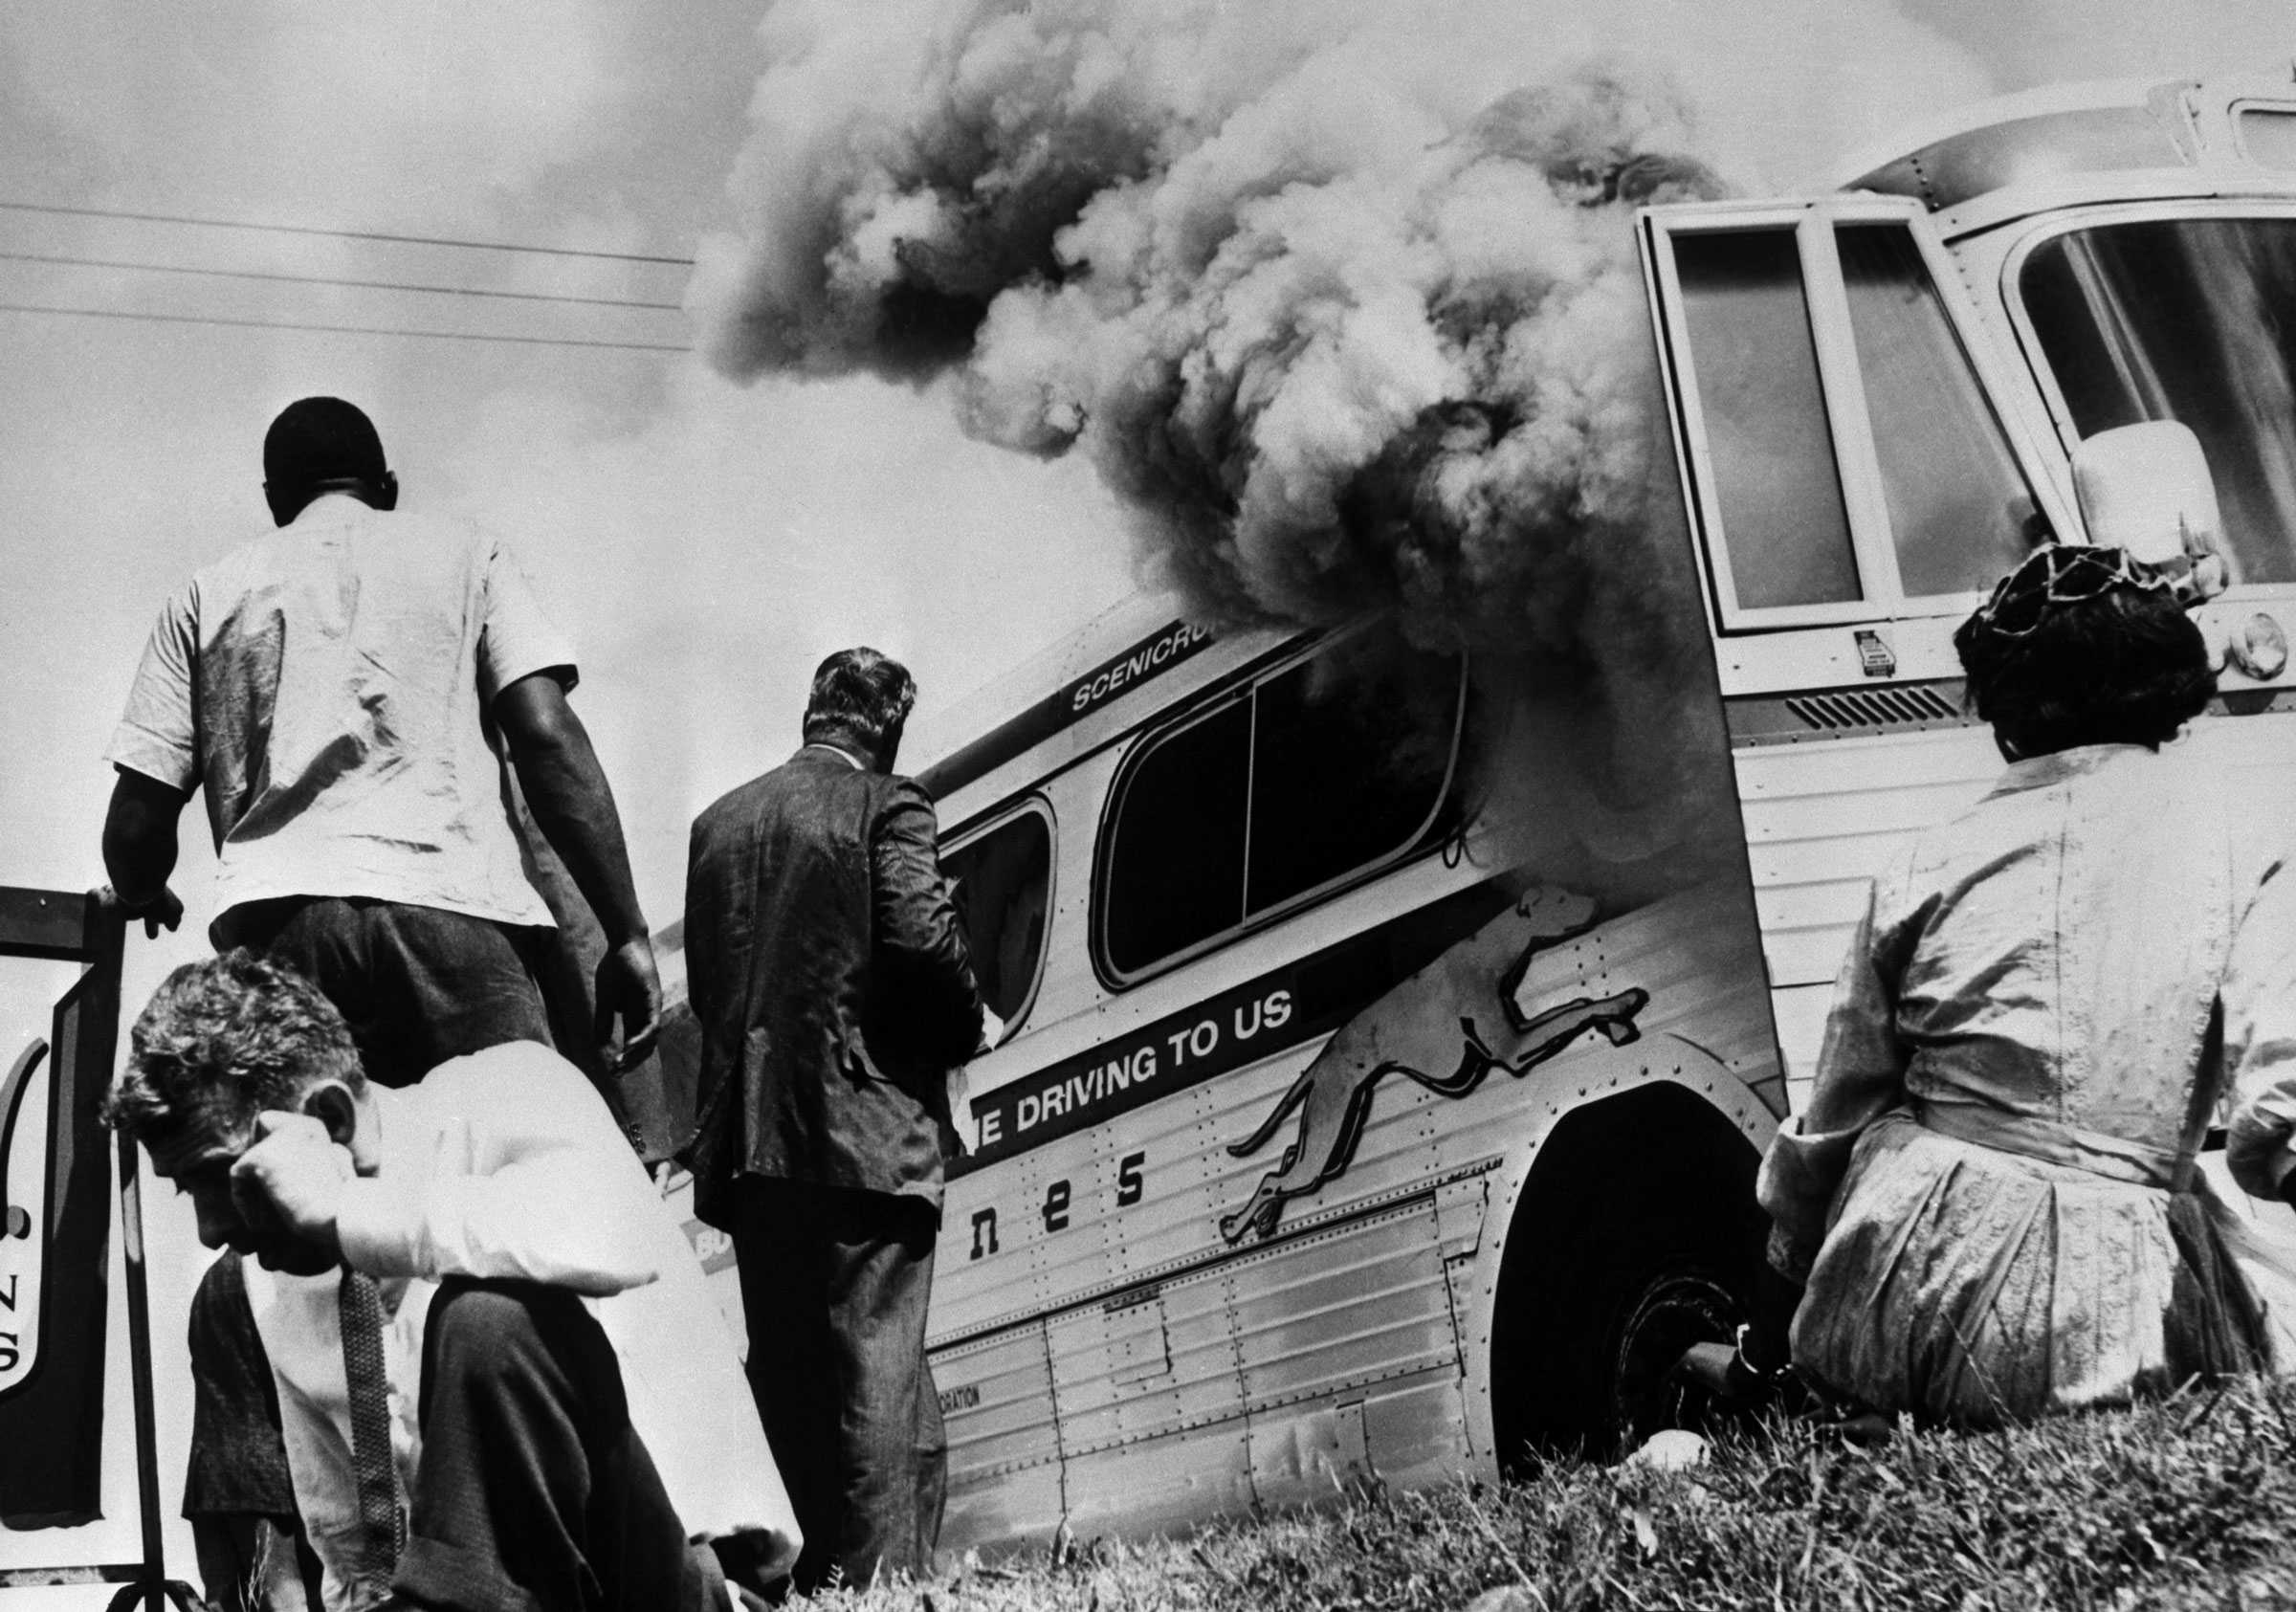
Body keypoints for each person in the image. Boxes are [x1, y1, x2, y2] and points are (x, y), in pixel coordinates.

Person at [1746, 541, 2296, 1425]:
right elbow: (2276, 1120)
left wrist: (1763, 1353)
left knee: (1897, 1114)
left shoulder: (1920, 862)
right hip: (2112, 1327)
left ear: (2005, 713)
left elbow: (1827, 1138)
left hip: (1905, 1304)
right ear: (2169, 686)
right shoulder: (2244, 841)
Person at [104, 949, 798, 1612]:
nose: (210, 1229)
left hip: (658, 1578)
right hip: (472, 1591)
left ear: (330, 1118)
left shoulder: (508, 1090)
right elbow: (348, 1545)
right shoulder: (269, 1280)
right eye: (184, 1191)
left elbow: (614, 1240)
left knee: (488, 1322)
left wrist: (354, 1213)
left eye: (221, 1176)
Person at [99, 394, 661, 1085]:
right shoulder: (470, 556)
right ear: (387, 487)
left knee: (312, 1180)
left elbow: (134, 826)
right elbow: (546, 734)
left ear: (276, 500)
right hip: (456, 919)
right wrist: (626, 930)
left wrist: (141, 891)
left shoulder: (206, 594)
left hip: (282, 940)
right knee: (500, 1169)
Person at [683, 647, 986, 1593]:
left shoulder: (716, 825)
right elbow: (923, 947)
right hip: (864, 1137)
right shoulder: (888, 803)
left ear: (816, 714)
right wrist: (966, 1026)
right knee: (878, 1368)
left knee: (790, 1377)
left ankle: (803, 1581)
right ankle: (885, 1585)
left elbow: (709, 989)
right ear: (886, 728)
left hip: (752, 1149)